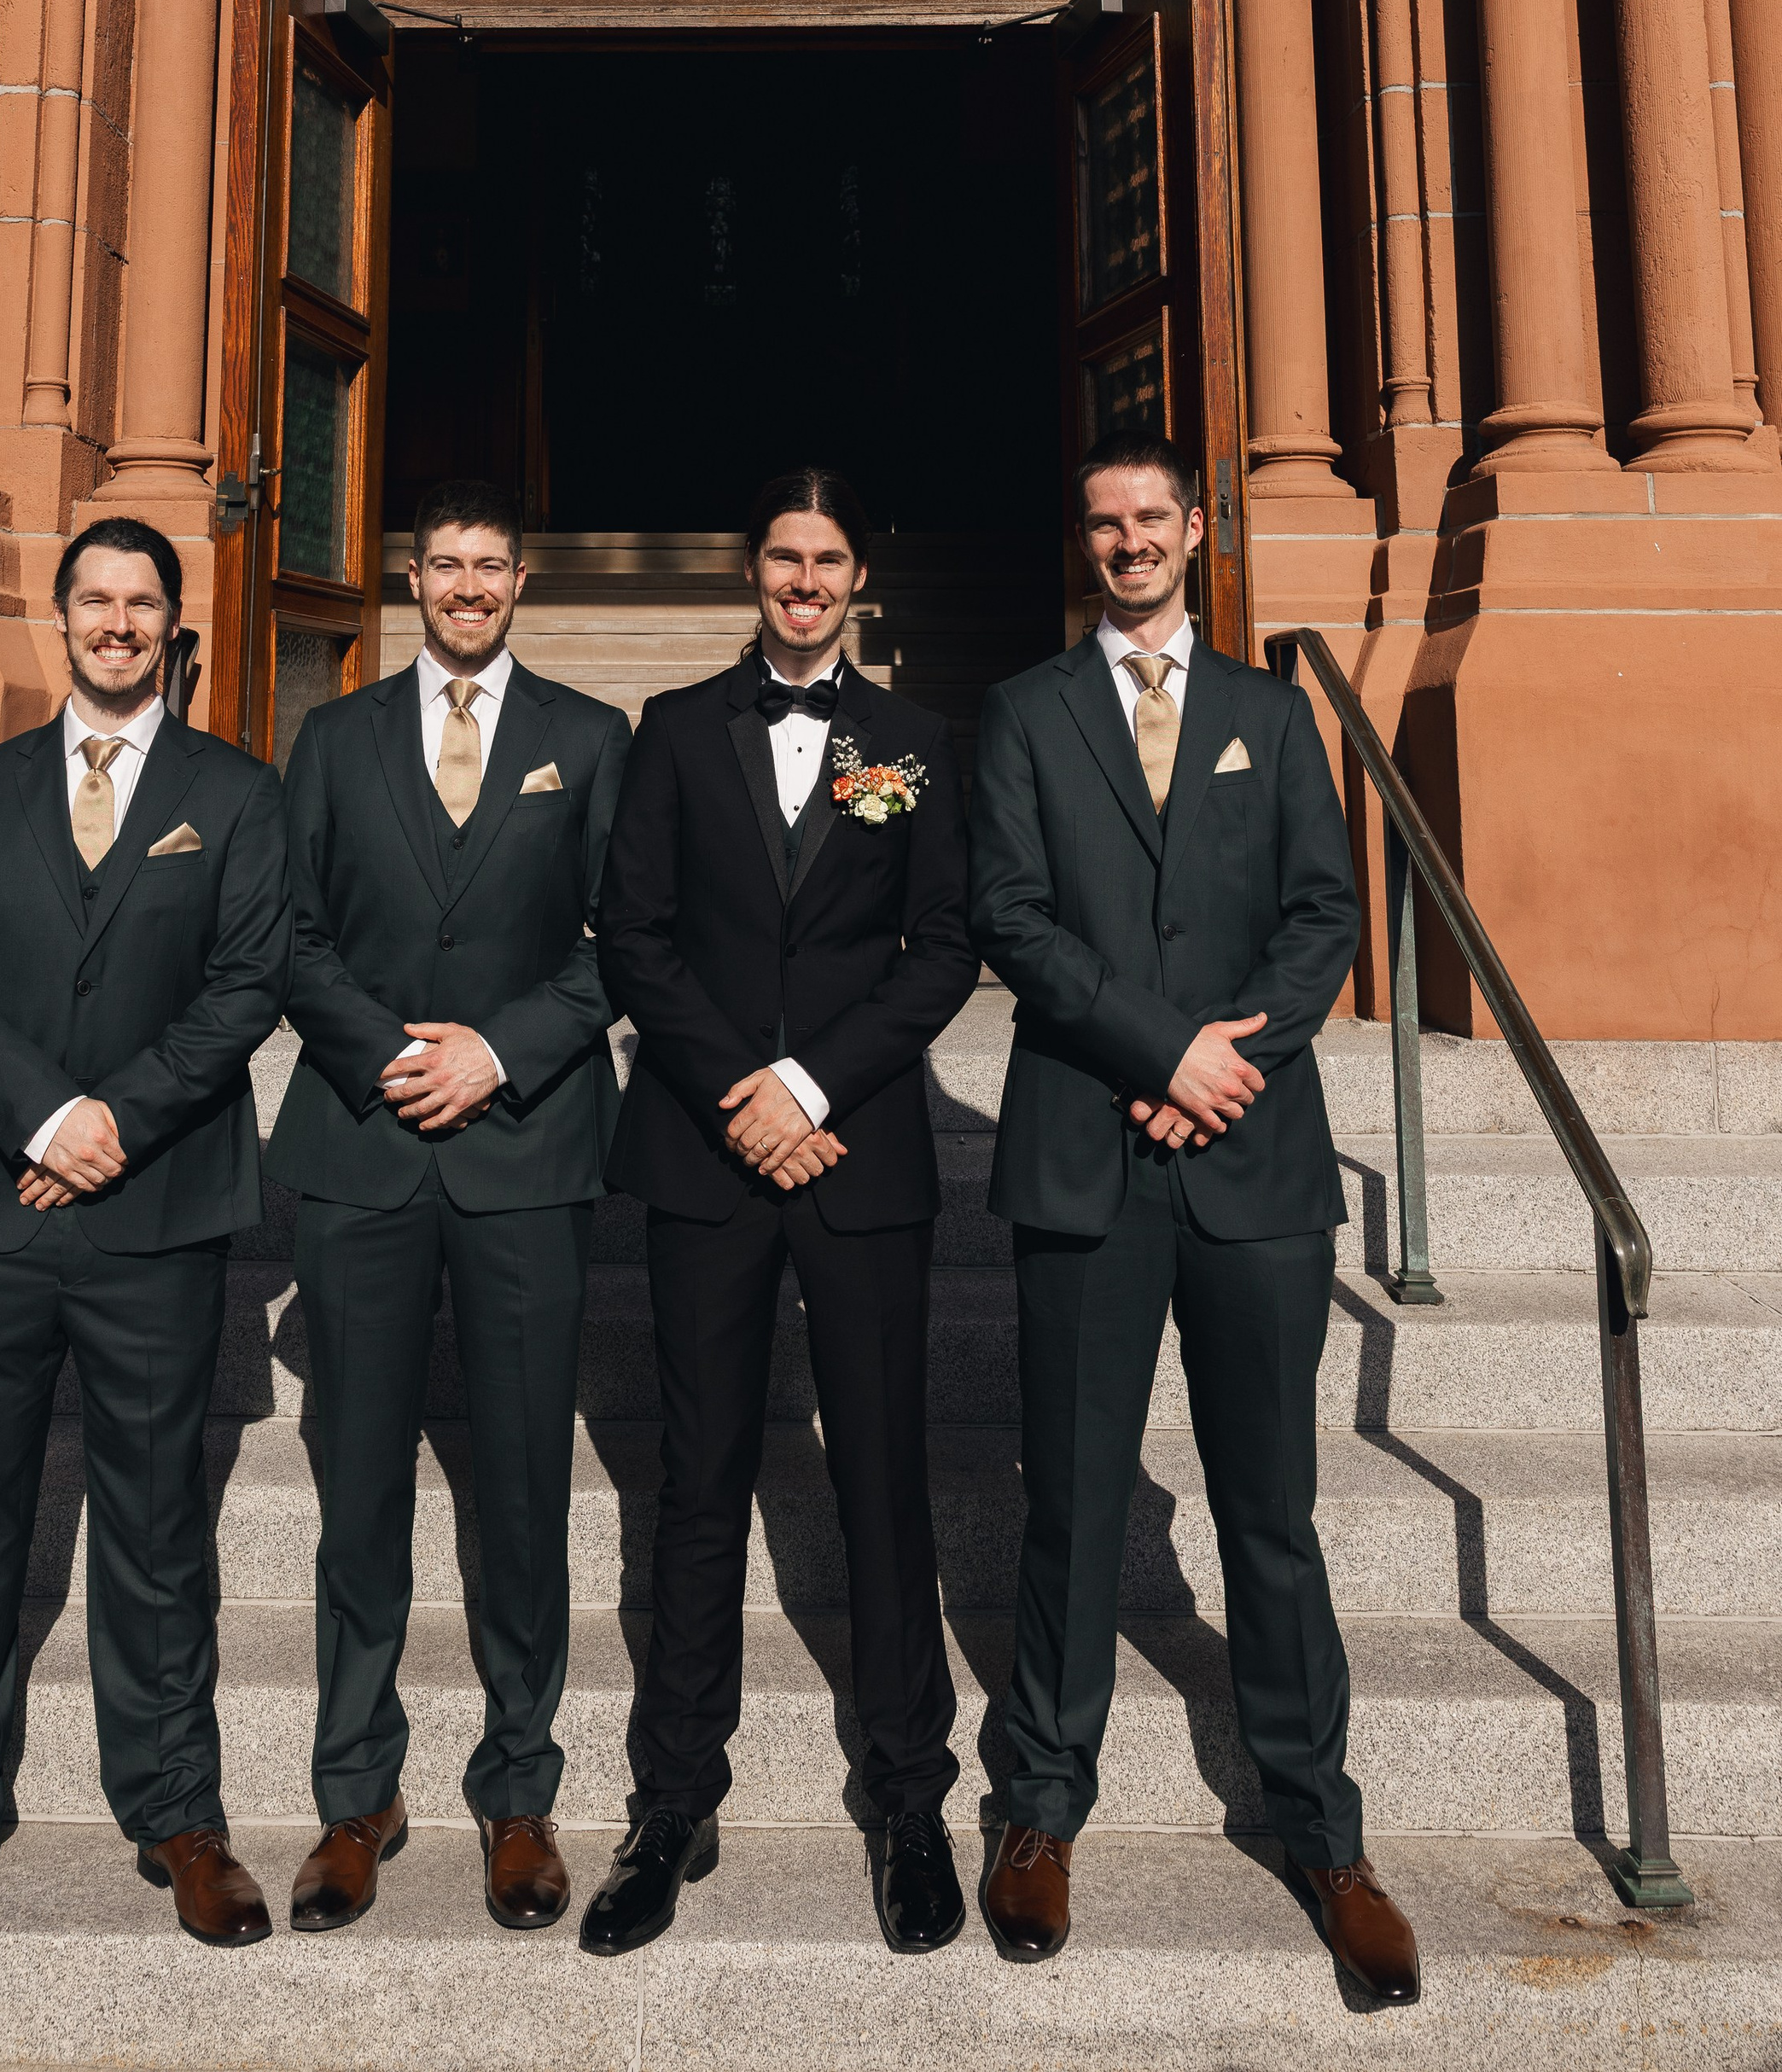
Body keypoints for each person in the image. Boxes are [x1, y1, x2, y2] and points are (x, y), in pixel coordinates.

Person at [966, 436, 1421, 2004]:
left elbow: (1324, 911)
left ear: (1193, 529)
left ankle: (1322, 1831)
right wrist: (1159, 1052)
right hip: (1086, 1158)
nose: (1129, 541)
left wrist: (1233, 1058)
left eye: (1151, 517)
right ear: (1084, 541)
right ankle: (1039, 1804)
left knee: (1270, 1512)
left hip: (1253, 1163)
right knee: (1072, 1502)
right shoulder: (1024, 712)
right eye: (1104, 522)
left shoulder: (1270, 713)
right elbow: (1009, 914)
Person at [0, 518, 292, 1957]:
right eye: (95, 598)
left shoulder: (236, 793)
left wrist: (117, 1124)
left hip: (157, 1214)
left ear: (173, 623)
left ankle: (178, 1813)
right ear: (61, 615)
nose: (117, 621)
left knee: (157, 1527)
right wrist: (46, 1121)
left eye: (141, 601)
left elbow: (245, 985)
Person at [582, 468, 978, 1959]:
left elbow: (943, 948)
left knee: (881, 1476)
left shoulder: (915, 742)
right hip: (706, 1150)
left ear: (859, 577)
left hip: (858, 1152)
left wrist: (810, 1088)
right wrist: (742, 1090)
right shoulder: (676, 729)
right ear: (750, 571)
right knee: (698, 1481)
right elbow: (635, 934)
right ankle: (672, 1801)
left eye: (828, 559)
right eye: (782, 557)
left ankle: (911, 1800)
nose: (804, 580)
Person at [265, 480, 631, 1935]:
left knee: (525, 1485)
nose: (468, 586)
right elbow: (288, 932)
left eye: (491, 566)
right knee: (358, 1489)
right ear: (409, 580)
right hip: (363, 1148)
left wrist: (500, 1053)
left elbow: (625, 941)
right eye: (444, 565)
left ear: (522, 581)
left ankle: (519, 1790)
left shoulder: (588, 740)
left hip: (525, 1152)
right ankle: (357, 1792)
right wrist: (388, 1053)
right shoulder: (335, 736)